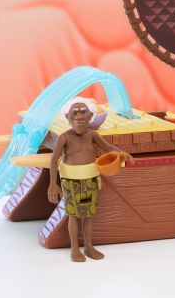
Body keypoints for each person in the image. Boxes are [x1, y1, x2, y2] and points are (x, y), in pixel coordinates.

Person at [47, 97, 134, 262]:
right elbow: (53, 160)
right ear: (68, 117)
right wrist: (53, 184)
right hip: (71, 182)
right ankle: (74, 249)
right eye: (74, 113)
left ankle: (88, 246)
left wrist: (120, 153)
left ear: (90, 116)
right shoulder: (64, 137)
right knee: (73, 215)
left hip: (89, 181)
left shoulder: (92, 135)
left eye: (83, 112)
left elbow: (107, 147)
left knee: (88, 214)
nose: (79, 116)